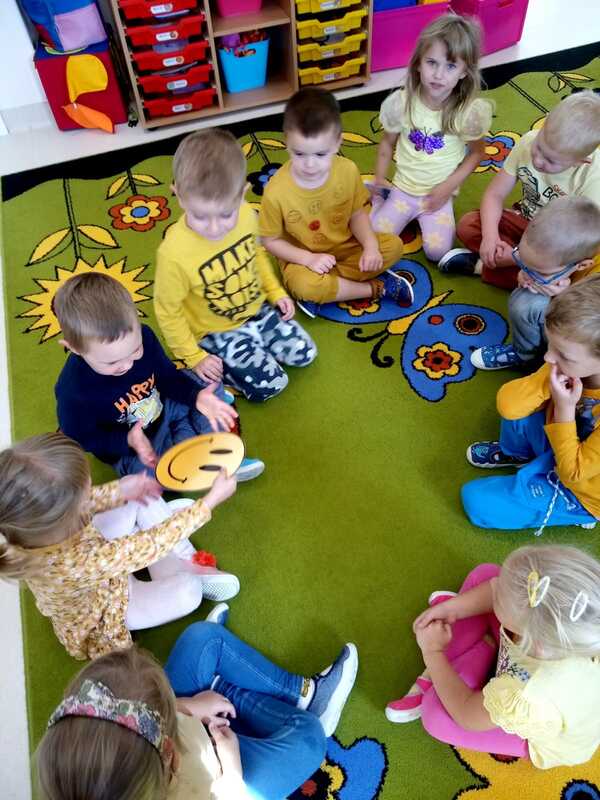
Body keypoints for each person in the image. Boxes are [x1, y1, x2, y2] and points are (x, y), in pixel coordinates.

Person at [36, 619, 359, 799]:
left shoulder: (72, 772)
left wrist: (187, 705)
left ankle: (222, 686)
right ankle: (291, 696)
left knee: (203, 638)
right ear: (170, 753)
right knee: (308, 738)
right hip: (224, 778)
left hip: (181, 738)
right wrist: (232, 776)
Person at [0, 431, 238, 660]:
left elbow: (86, 501)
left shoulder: (33, 526)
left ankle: (183, 554)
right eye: (86, 489)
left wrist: (120, 491)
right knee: (189, 591)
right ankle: (175, 550)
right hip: (110, 609)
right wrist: (209, 502)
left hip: (102, 560)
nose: (91, 489)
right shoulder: (75, 564)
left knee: (136, 494)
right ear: (66, 515)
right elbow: (148, 544)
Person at [385, 545, 600, 769]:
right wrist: (452, 609)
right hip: (528, 659)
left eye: (499, 600)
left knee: (436, 716)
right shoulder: (565, 632)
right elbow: (496, 588)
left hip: (537, 732)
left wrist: (433, 652)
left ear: (530, 638)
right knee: (486, 574)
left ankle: (447, 667)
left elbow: (466, 713)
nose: (497, 590)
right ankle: (473, 650)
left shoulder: (527, 693)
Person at [154, 128, 317, 403]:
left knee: (305, 353)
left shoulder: (246, 215)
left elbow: (257, 257)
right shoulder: (173, 254)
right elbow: (168, 312)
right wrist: (194, 357)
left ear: (242, 194)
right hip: (215, 331)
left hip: (257, 310)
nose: (215, 228)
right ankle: (224, 361)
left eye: (225, 214)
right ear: (179, 196)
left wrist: (275, 292)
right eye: (200, 216)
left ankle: (254, 343)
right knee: (271, 384)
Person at [54, 271, 263, 480]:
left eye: (135, 350)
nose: (128, 365)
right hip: (141, 442)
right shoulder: (73, 391)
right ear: (74, 348)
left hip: (168, 406)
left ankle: (219, 455)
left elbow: (167, 376)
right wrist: (127, 440)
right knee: (150, 476)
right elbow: (82, 437)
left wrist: (196, 397)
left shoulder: (144, 335)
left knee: (206, 384)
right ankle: (193, 449)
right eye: (111, 363)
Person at [462, 275, 600, 532]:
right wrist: (551, 375)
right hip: (562, 441)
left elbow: (573, 473)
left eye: (562, 354)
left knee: (476, 500)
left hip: (582, 486)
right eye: (551, 345)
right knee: (521, 407)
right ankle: (520, 455)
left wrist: (564, 409)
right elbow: (509, 405)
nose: (547, 357)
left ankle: (581, 514)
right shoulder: (569, 364)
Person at [259, 87, 410, 318]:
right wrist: (309, 259)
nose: (310, 165)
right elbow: (269, 241)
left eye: (320, 154)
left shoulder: (347, 170)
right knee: (303, 285)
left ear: (338, 142)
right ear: (286, 142)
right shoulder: (275, 191)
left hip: (346, 247)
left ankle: (330, 289)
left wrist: (370, 246)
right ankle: (375, 288)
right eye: (299, 154)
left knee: (393, 246)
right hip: (302, 259)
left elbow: (357, 214)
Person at [443, 90, 600, 288]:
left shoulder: (594, 180)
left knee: (567, 279)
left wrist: (516, 256)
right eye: (539, 147)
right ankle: (524, 275)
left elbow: (574, 247)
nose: (538, 160)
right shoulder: (528, 141)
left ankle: (484, 267)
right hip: (524, 221)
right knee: (468, 225)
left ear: (581, 162)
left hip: (559, 246)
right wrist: (490, 237)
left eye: (551, 161)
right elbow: (495, 194)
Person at [371, 13, 491, 264]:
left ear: (464, 72)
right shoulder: (402, 103)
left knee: (437, 252)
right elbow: (386, 143)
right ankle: (380, 201)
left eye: (450, 66)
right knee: (375, 238)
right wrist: (380, 180)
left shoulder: (467, 113)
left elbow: (477, 153)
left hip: (438, 197)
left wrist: (447, 188)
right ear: (418, 63)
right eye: (432, 62)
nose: (438, 74)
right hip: (403, 189)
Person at [469, 197, 600, 370]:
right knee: (526, 298)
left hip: (578, 340)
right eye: (522, 262)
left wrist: (562, 296)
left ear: (582, 265)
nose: (528, 272)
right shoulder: (557, 258)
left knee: (525, 303)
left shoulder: (592, 282)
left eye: (540, 272)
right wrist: (523, 272)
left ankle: (526, 355)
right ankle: (525, 353)